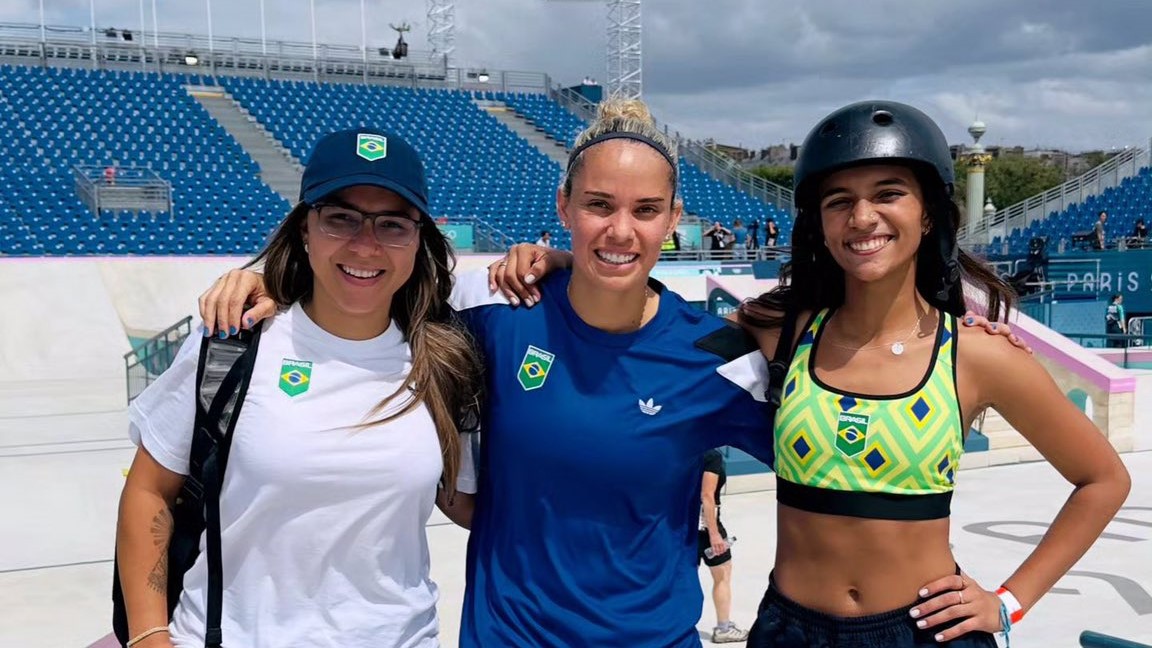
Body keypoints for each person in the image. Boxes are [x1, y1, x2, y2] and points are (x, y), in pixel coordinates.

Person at [198, 101, 1032, 647]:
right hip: (507, 638)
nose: (619, 229)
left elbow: (830, 455)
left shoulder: (721, 354)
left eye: (644, 211)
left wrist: (983, 594)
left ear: (676, 221)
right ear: (563, 207)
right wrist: (271, 280)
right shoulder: (499, 316)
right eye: (598, 206)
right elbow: (373, 275)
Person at [736, 101, 1130, 647]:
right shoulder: (783, 331)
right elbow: (644, 319)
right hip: (791, 630)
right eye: (839, 201)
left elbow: (1104, 480)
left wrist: (1009, 602)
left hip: (923, 633)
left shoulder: (977, 355)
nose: (862, 216)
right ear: (819, 223)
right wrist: (570, 268)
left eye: (889, 193)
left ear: (928, 214)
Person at [116, 129, 483, 648]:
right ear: (306, 230)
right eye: (341, 218)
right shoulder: (232, 343)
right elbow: (150, 490)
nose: (365, 243)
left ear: (418, 239)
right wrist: (148, 636)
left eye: (393, 225)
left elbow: (467, 503)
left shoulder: (445, 360)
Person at [699, 449, 750, 643]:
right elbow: (707, 496)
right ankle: (723, 628)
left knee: (681, 577)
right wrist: (714, 534)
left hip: (681, 526)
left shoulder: (683, 449)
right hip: (705, 527)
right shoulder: (711, 456)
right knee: (723, 574)